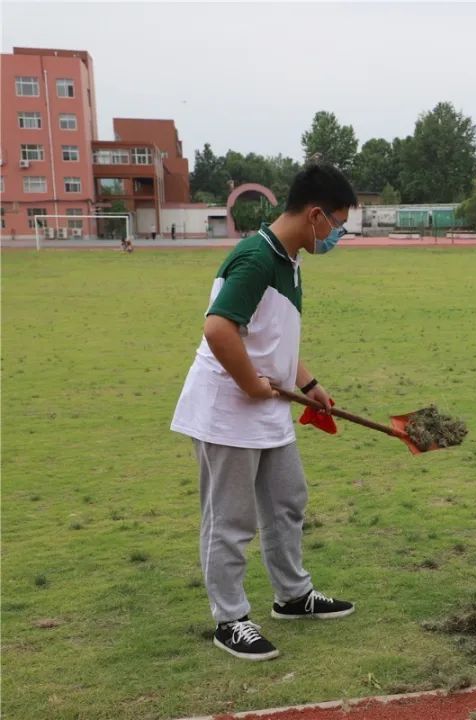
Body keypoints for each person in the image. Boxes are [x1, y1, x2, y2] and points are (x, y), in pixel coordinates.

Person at [171, 164, 355, 660]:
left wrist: (309, 383)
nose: (339, 235)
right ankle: (229, 619)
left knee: (287, 500)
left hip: (268, 405)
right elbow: (218, 329)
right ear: (315, 215)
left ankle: (293, 596)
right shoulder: (256, 258)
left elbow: (274, 337)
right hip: (227, 411)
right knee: (230, 519)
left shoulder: (288, 259)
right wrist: (251, 383)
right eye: (338, 224)